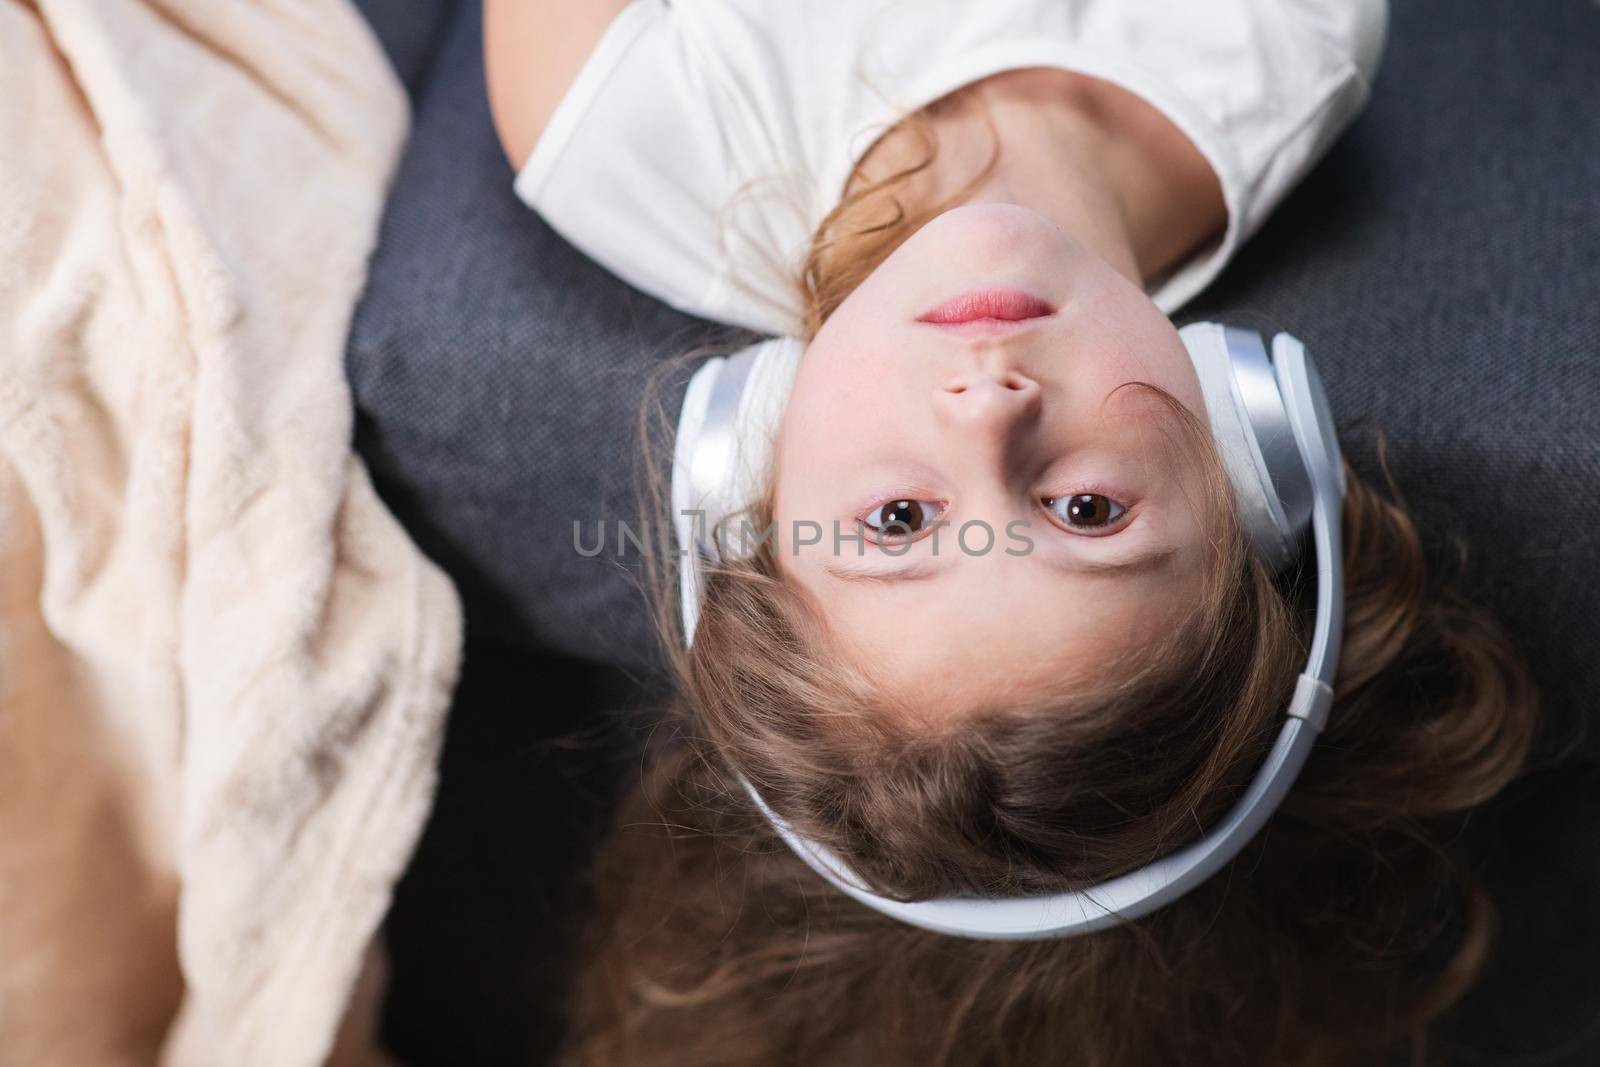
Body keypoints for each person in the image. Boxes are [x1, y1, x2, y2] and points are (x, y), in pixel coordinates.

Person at [484, 2, 1539, 1062]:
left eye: (898, 520)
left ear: (748, 480)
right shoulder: (1288, 40)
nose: (990, 417)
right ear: (1244, 454)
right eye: (1087, 510)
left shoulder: (613, 129)